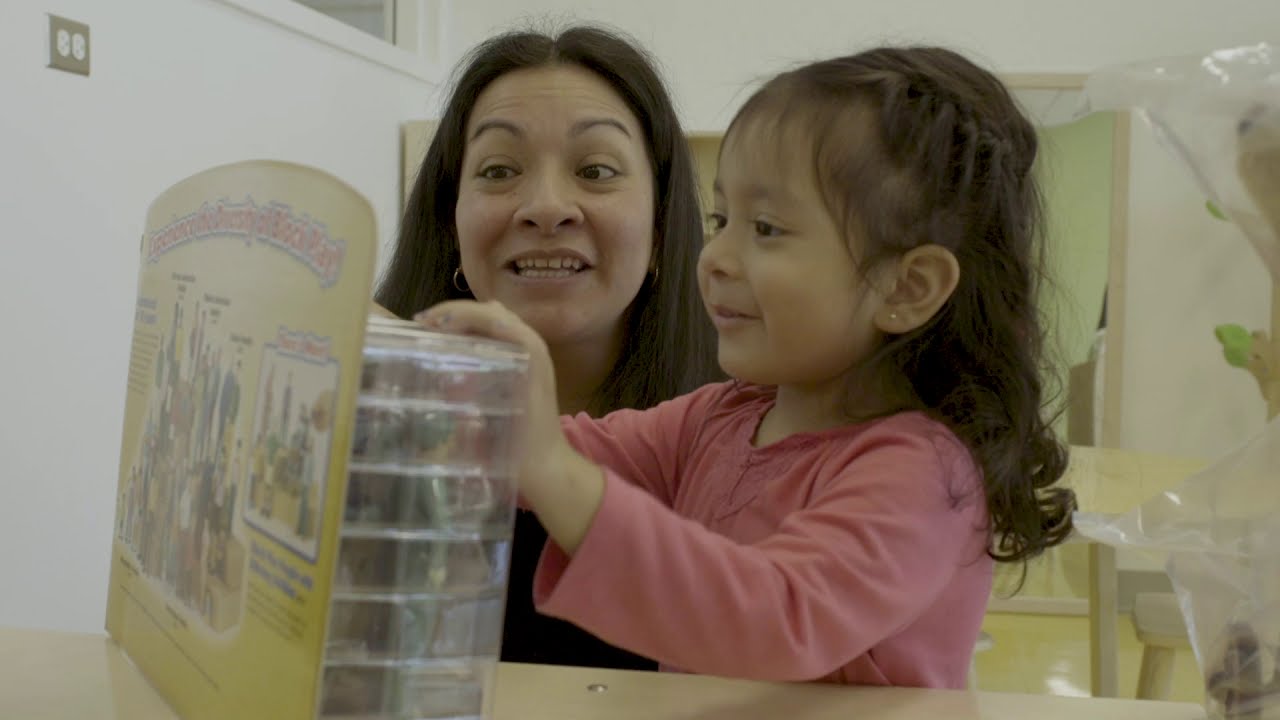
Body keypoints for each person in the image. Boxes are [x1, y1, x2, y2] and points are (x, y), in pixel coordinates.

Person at [416, 46, 1077, 688]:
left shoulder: (922, 472)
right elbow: (579, 446)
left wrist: (550, 467)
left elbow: (779, 617)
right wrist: (414, 409)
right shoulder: (724, 416)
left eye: (766, 228)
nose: (715, 258)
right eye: (721, 218)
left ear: (908, 287)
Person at [374, 26, 722, 669]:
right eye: (499, 170)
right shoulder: (373, 427)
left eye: (595, 170)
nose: (545, 207)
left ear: (661, 224)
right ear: (452, 223)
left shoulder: (743, 441)